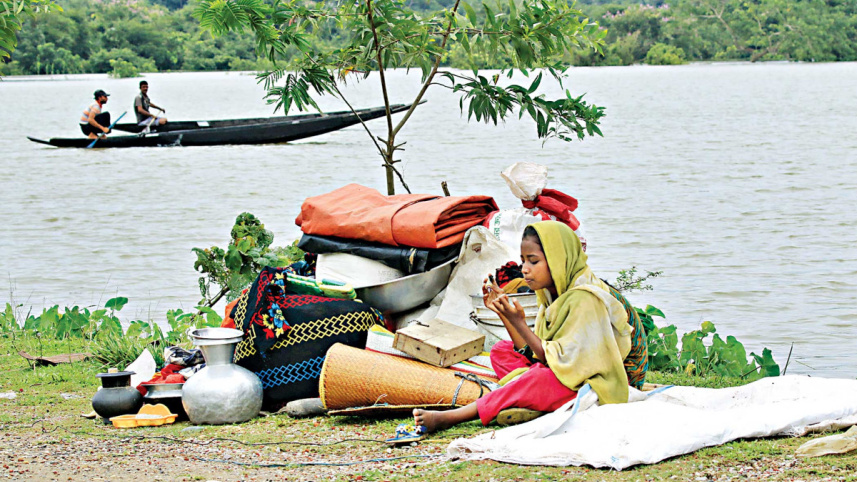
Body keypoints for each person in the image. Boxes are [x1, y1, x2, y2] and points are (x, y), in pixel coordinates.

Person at [413, 221, 649, 433]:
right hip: (570, 370)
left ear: (558, 260)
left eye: (533, 261)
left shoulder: (585, 298)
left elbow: (556, 362)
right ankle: (531, 398)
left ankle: (454, 417)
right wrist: (503, 313)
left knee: (538, 377)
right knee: (502, 351)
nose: (524, 268)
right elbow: (536, 351)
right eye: (523, 260)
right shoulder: (553, 292)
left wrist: (519, 323)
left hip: (608, 384)